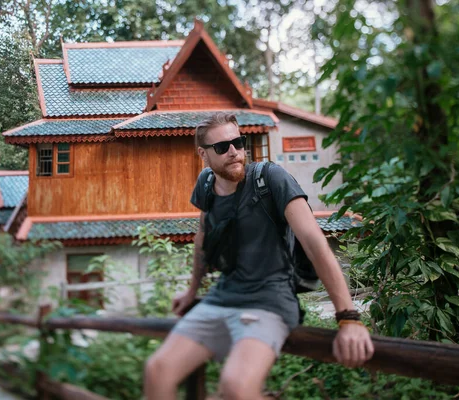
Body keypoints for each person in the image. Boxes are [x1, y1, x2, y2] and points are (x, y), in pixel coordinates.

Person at [144, 112, 374, 400]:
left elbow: (315, 244)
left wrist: (348, 317)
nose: (234, 152)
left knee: (236, 387)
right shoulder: (205, 184)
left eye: (238, 143)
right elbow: (203, 237)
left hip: (269, 302)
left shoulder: (271, 179)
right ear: (203, 154)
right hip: (222, 297)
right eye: (222, 147)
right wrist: (192, 291)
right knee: (157, 371)